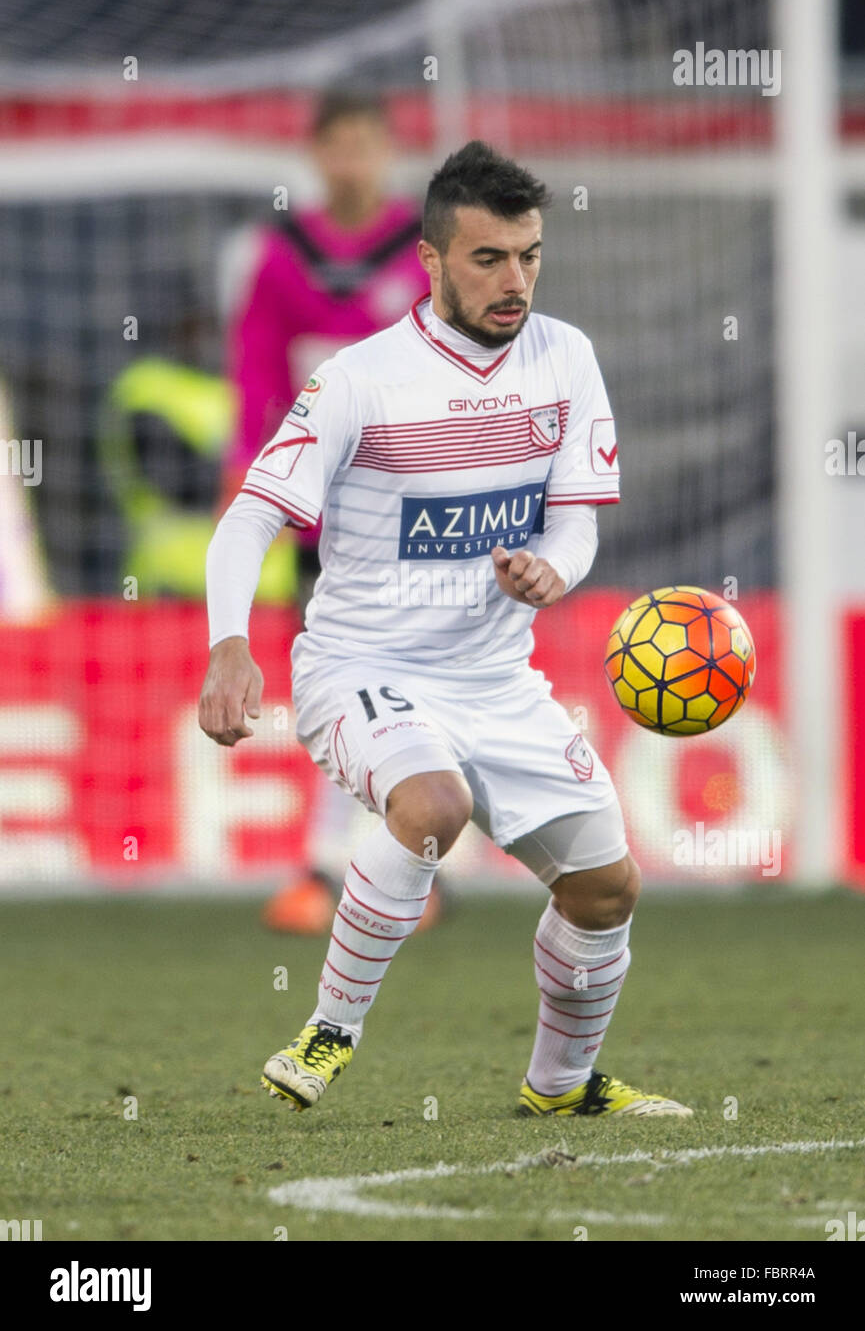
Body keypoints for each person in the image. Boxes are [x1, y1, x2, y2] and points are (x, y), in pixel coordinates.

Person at [200, 141, 692, 1119]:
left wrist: (556, 565)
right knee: (431, 804)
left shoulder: (566, 358)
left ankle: (558, 1086)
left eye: (529, 255)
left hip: (498, 682)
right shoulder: (358, 380)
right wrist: (228, 643)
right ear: (428, 261)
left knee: (607, 888)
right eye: (488, 259)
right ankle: (329, 1028)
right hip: (362, 666)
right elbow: (253, 514)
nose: (514, 281)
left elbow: (577, 515)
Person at [223, 88, 431, 934]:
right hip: (321, 505)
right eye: (336, 146)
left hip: (411, 500)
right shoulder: (280, 255)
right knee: (334, 675)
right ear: (314, 155)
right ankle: (334, 863)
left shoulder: (424, 253)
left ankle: (396, 864)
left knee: (410, 677)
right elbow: (256, 372)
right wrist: (246, 472)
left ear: (386, 152)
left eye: (364, 145)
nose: (350, 161)